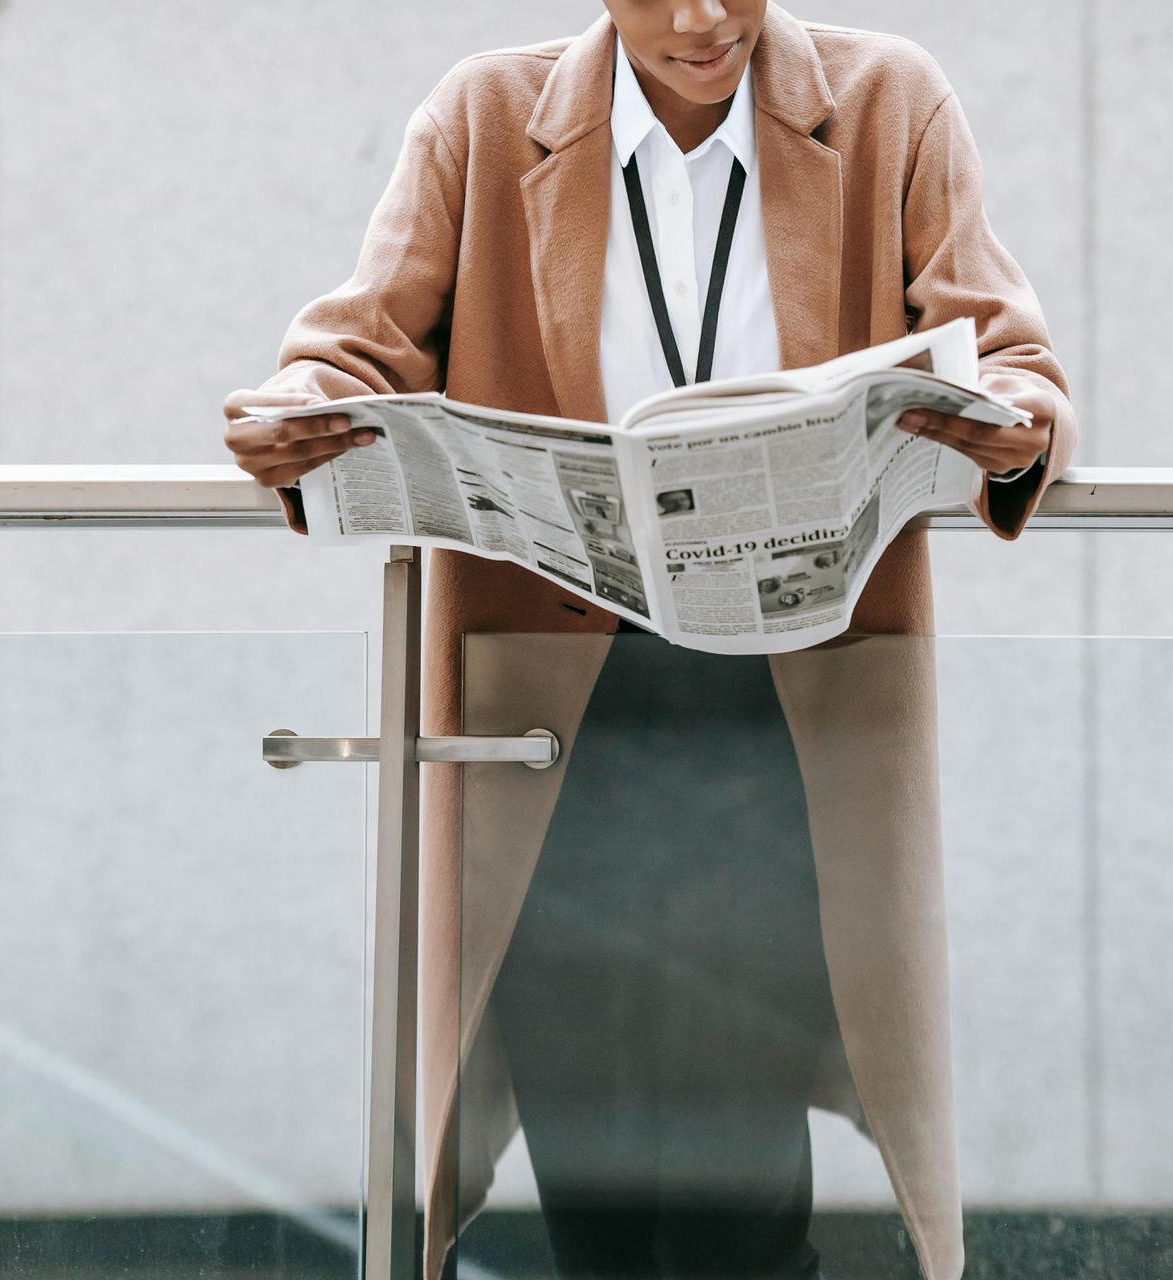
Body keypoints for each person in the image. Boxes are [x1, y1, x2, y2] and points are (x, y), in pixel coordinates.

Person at [221, 4, 1077, 1277]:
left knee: (743, 1166)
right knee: (593, 1160)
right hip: (550, 725)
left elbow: (1009, 350)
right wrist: (300, 404)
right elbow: (354, 346)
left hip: (787, 716)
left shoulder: (891, 100)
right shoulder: (483, 117)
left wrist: (1016, 418)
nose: (700, 18)